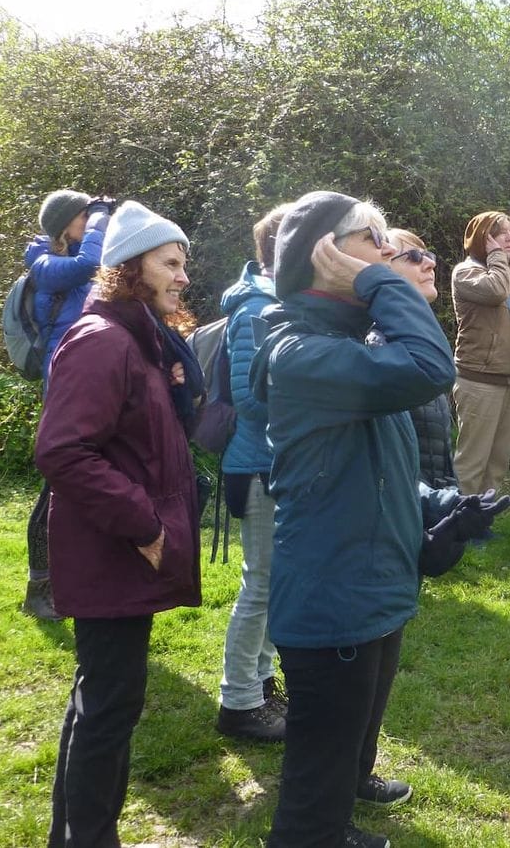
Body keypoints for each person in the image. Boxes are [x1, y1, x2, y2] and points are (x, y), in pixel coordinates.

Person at [254, 192, 506, 848]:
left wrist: (439, 507)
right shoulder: (299, 349)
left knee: (345, 743)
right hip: (334, 593)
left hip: (368, 580)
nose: (392, 251)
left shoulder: (347, 342)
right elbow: (431, 366)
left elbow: (382, 464)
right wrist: (373, 282)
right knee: (314, 780)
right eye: (374, 240)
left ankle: (336, 823)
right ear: (326, 257)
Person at [35, 200, 203, 847]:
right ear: (131, 267)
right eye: (170, 262)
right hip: (113, 552)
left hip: (121, 554)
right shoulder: (102, 341)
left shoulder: (138, 339)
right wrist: (146, 527)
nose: (183, 276)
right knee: (107, 707)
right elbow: (62, 450)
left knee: (105, 702)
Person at [214, 204, 292, 744]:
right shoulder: (254, 311)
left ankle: (261, 684)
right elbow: (248, 397)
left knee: (276, 584)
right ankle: (238, 701)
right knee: (260, 584)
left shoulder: (278, 305)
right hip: (257, 464)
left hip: (281, 463)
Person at [21, 188, 114, 621]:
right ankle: (39, 586)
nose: (91, 222)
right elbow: (87, 265)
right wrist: (99, 216)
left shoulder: (83, 258)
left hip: (88, 376)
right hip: (61, 382)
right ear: (63, 223)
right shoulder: (42, 260)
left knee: (85, 480)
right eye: (83, 217)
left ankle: (80, 578)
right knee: (58, 481)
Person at [450, 211, 510, 495]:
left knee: (497, 463)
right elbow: (496, 293)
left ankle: (483, 519)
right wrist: (498, 259)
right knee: (471, 463)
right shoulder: (466, 272)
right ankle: (458, 525)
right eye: (500, 234)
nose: (509, 238)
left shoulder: (503, 273)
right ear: (482, 239)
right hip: (480, 381)